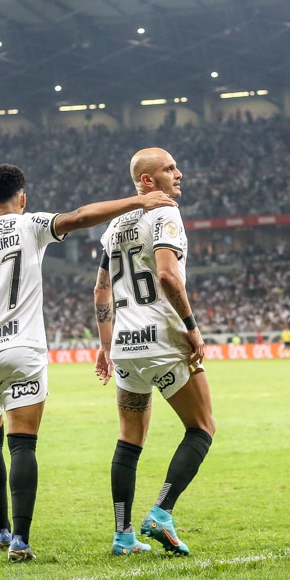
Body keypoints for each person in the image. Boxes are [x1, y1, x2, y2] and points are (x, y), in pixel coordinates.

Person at [0, 163, 175, 563]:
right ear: (23, 198)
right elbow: (81, 217)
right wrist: (138, 199)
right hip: (23, 351)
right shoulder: (32, 224)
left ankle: (0, 530)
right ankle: (21, 541)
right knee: (23, 444)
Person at [93, 147, 215, 558]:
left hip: (126, 346)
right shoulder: (165, 214)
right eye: (169, 168)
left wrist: (105, 345)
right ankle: (161, 512)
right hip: (163, 338)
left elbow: (101, 290)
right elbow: (166, 273)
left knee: (129, 440)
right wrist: (192, 326)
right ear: (147, 180)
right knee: (201, 427)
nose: (179, 173)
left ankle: (123, 536)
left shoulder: (112, 228)